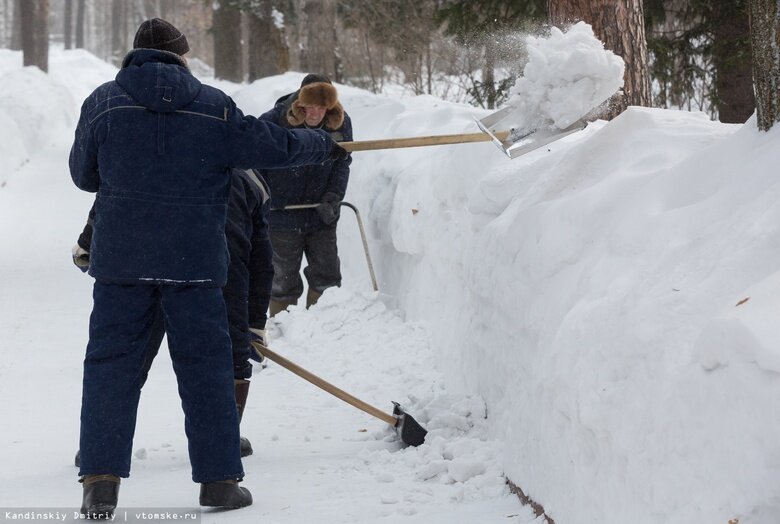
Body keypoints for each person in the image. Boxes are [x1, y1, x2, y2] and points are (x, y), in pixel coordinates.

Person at [69, 18, 346, 518]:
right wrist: (323, 144)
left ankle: (100, 485)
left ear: (135, 54)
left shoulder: (103, 102)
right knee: (207, 371)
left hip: (123, 262)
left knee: (111, 367)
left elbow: (83, 174)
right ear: (182, 56)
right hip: (194, 263)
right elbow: (275, 146)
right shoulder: (214, 107)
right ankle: (218, 484)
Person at [71, 168, 273, 463]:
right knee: (222, 358)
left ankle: (100, 448)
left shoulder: (154, 149)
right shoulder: (249, 173)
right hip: (214, 272)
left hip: (148, 266)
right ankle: (223, 442)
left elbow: (114, 193)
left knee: (123, 358)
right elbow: (261, 259)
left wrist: (88, 240)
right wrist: (253, 321)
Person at [258, 74, 353, 315]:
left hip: (322, 212)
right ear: (299, 104)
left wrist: (334, 196)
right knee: (283, 278)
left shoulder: (340, 122)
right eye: (309, 107)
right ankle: (282, 324)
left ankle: (324, 323)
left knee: (327, 274)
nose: (314, 114)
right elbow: (255, 164)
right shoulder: (275, 121)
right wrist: (267, 199)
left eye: (321, 108)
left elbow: (343, 163)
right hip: (282, 213)